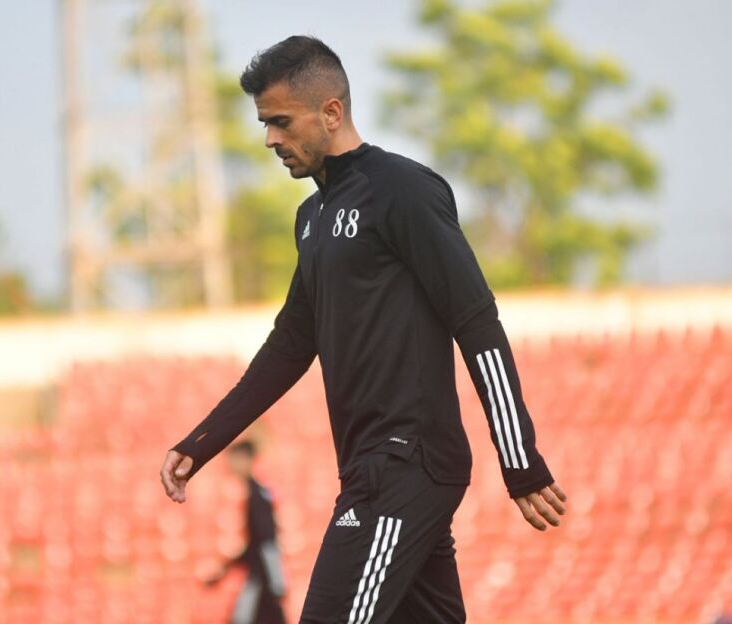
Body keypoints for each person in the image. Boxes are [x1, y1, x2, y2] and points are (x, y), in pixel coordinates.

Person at [161, 35, 568, 623]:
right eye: (264, 124)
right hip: (369, 467)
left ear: (332, 112)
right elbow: (288, 347)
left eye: (280, 121)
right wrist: (200, 444)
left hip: (405, 463)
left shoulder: (402, 189)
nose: (270, 139)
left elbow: (475, 321)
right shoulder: (312, 218)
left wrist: (519, 457)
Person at [204, 440, 287, 624]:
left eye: (234, 459)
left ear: (247, 459)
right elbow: (255, 544)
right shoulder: (255, 493)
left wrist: (277, 578)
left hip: (262, 577)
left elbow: (267, 540)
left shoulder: (257, 496)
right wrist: (224, 571)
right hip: (260, 575)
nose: (230, 464)